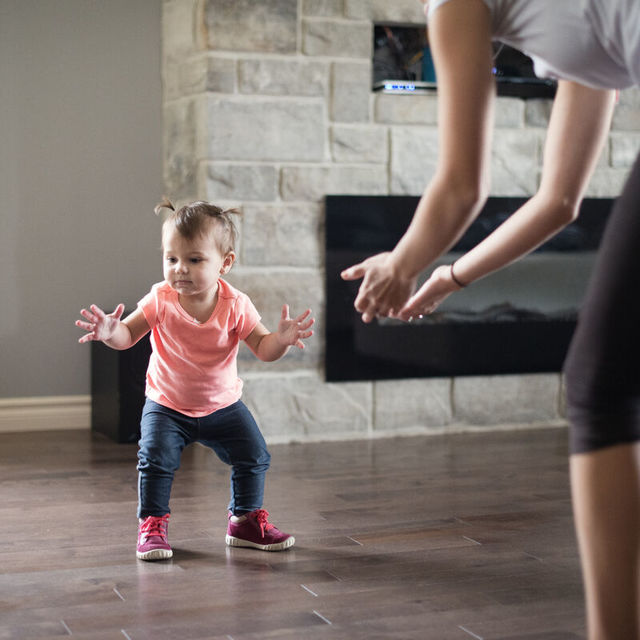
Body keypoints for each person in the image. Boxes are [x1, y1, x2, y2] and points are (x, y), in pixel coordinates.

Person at [341, 1, 640, 638]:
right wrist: (450, 275)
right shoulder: (584, 36)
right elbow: (558, 200)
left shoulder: (454, 4)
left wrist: (403, 262)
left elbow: (459, 184)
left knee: (599, 384)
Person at [76, 199, 314, 561]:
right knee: (155, 459)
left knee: (254, 456)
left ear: (226, 263)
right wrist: (111, 331)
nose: (179, 269)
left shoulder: (236, 304)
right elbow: (127, 337)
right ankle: (152, 524)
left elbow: (263, 348)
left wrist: (280, 340)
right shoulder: (161, 299)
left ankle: (245, 521)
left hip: (223, 406)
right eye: (171, 259)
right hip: (167, 405)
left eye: (194, 260)